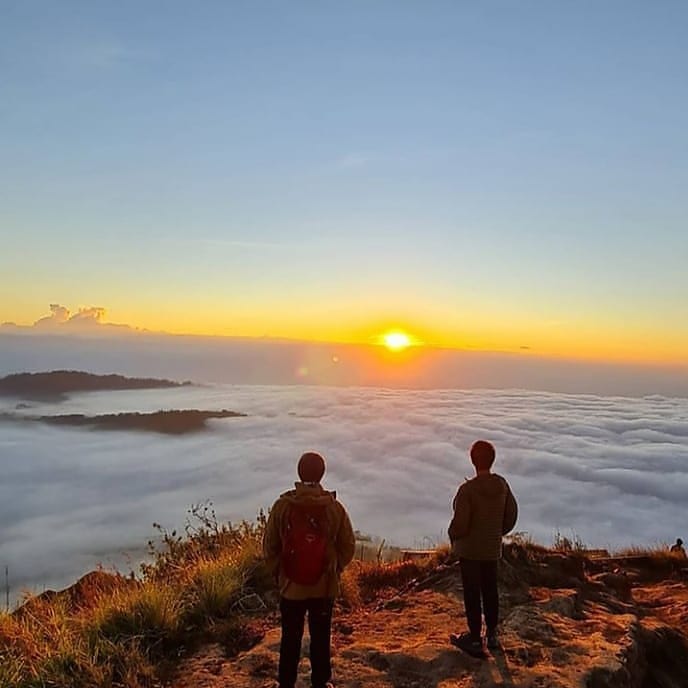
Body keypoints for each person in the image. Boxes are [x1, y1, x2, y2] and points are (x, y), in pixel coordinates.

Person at [263, 451, 356, 688]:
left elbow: (269, 547)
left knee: (290, 638)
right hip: (324, 588)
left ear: (299, 473)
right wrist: (334, 570)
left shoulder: (283, 506)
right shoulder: (334, 508)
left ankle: (286, 683)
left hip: (291, 588)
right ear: (322, 474)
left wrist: (280, 575)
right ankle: (321, 683)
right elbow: (348, 546)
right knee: (321, 638)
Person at [448, 440, 518, 657]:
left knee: (471, 592)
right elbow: (511, 515)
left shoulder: (467, 491)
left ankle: (475, 638)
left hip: (469, 550)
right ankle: (493, 634)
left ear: (473, 461)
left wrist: (453, 536)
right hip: (491, 549)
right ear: (492, 459)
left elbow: (460, 524)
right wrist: (496, 532)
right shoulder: (502, 486)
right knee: (490, 590)